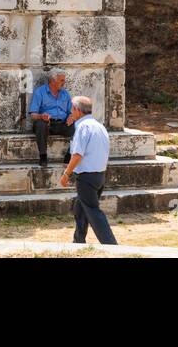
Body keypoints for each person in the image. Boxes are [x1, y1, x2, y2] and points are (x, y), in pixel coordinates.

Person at [59, 95, 116, 245]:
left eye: (72, 109)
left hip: (87, 177)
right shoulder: (99, 126)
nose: (71, 112)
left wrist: (66, 174)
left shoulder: (82, 127)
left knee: (93, 211)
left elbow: (77, 154)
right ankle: (78, 240)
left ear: (77, 110)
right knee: (80, 209)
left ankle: (111, 245)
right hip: (99, 175)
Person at [28, 69, 73, 166]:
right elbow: (33, 115)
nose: (64, 83)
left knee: (79, 126)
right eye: (62, 80)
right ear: (53, 81)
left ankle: (70, 155)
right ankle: (43, 156)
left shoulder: (65, 94)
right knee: (40, 125)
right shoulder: (39, 92)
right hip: (47, 123)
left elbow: (72, 112)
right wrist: (41, 116)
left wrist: (71, 117)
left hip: (62, 123)